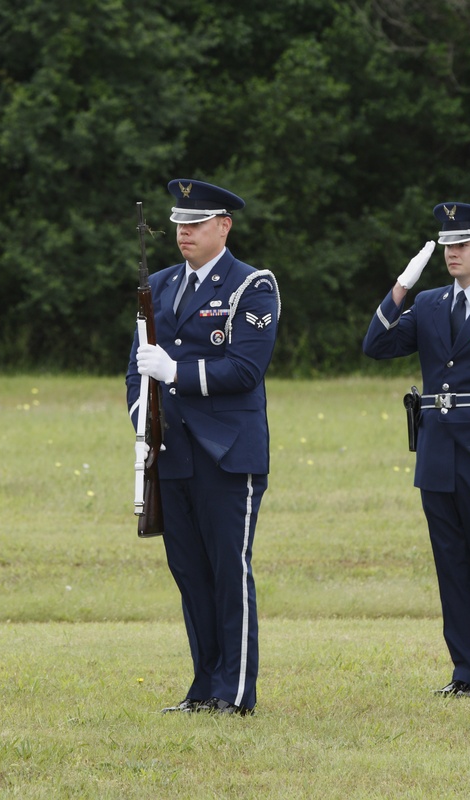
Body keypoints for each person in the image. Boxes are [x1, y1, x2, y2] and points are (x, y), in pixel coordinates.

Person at [126, 179, 280, 716]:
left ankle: (235, 692)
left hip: (227, 451)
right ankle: (204, 686)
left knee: (227, 570)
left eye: (195, 223)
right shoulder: (162, 285)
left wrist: (177, 373)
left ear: (224, 226)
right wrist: (140, 417)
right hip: (173, 451)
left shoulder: (252, 285)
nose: (184, 232)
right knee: (190, 572)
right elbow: (135, 367)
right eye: (178, 224)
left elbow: (245, 367)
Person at [363, 203, 470, 698]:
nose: (453, 252)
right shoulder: (430, 303)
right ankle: (465, 670)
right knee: (451, 564)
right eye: (448, 245)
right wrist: (401, 288)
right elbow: (377, 345)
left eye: (464, 244)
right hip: (437, 450)